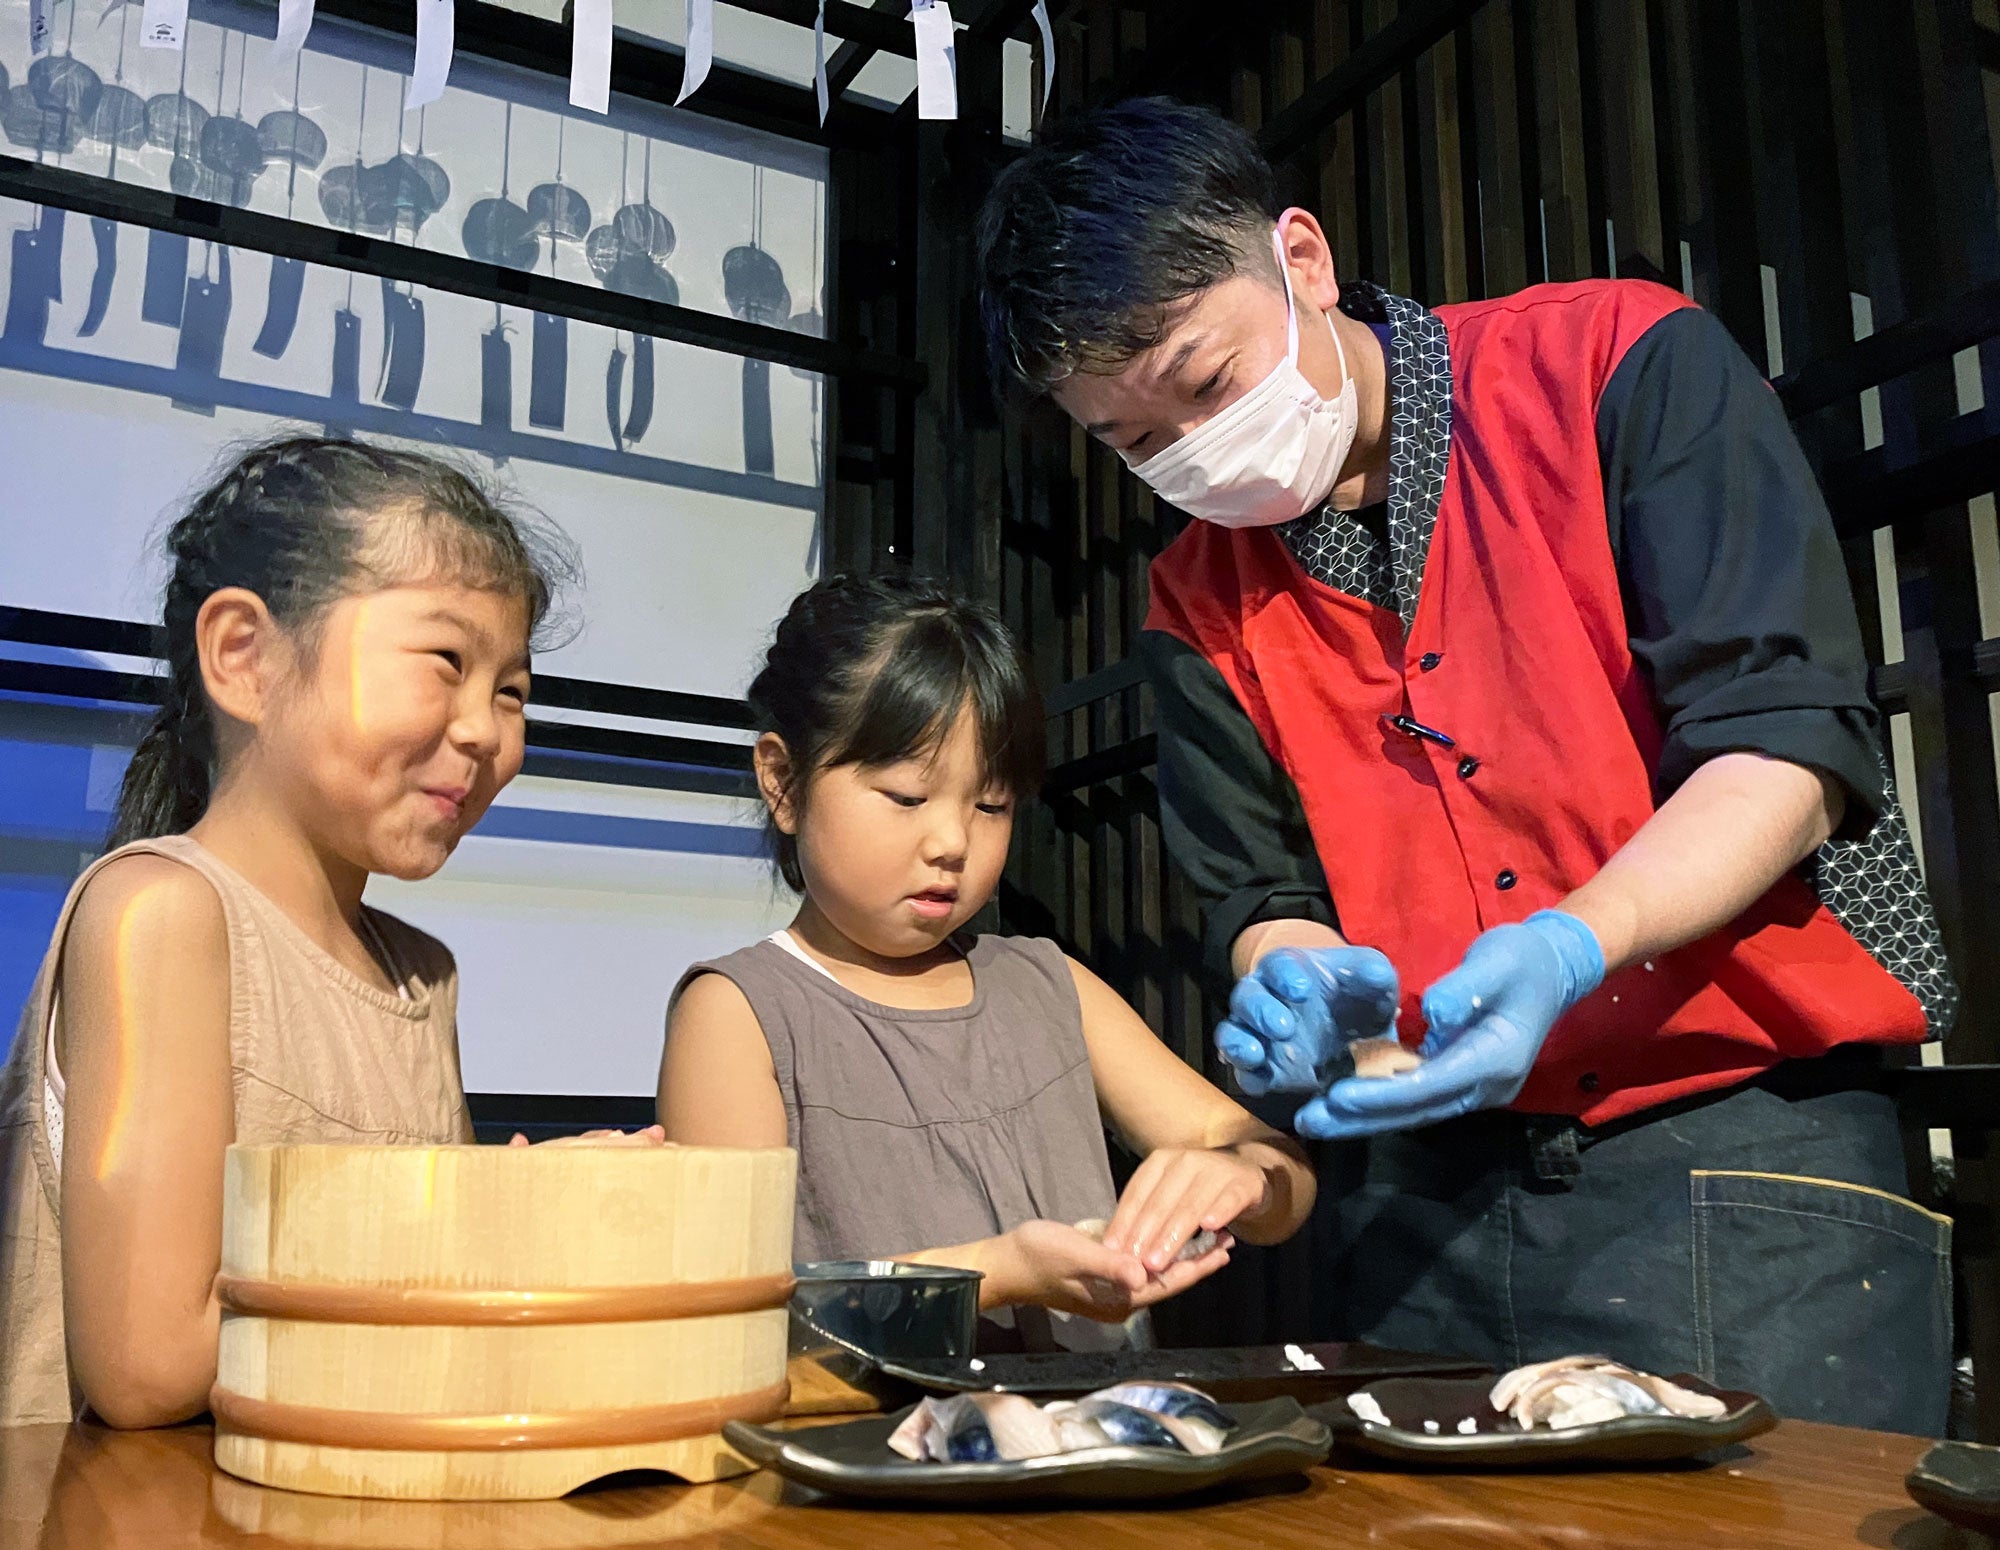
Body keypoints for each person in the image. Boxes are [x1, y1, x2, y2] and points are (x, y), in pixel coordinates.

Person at [974, 97, 1956, 1431]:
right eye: (1134, 441)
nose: (1191, 448)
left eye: (1204, 385)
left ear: (1301, 260)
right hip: (1417, 1200)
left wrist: (1574, 941)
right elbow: (1263, 890)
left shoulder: (1616, 364)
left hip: (1738, 1149)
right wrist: (1296, 979)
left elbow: (1782, 746)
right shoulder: (1194, 602)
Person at [0, 437, 650, 1430]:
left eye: (512, 691)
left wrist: (540, 1211)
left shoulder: (420, 974)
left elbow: (429, 1315)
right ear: (244, 658)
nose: (486, 729)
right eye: (446, 662)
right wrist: (494, 1217)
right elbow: (148, 1364)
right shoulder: (162, 913)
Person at [658, 574, 1315, 1350]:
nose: (952, 842)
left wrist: (1247, 1177)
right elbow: (733, 1305)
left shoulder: (1046, 983)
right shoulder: (740, 1010)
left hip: (1097, 1423)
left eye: (991, 805)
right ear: (783, 781)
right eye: (907, 797)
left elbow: (1277, 1170)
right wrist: (995, 1275)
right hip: (877, 1427)